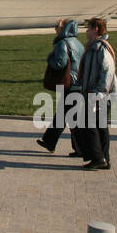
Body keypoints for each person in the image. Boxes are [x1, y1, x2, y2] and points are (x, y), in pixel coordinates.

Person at [75, 17, 117, 170]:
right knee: (100, 126)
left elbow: (108, 70)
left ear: (96, 30)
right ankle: (104, 159)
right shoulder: (93, 47)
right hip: (96, 92)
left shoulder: (101, 48)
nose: (86, 31)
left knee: (89, 123)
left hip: (99, 94)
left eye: (89, 28)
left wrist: (99, 93)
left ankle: (98, 158)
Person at [37, 18, 85, 155]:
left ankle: (79, 148)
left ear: (63, 29)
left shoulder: (62, 44)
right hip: (77, 84)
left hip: (69, 83)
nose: (55, 29)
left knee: (69, 117)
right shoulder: (78, 43)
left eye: (57, 27)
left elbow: (60, 63)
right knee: (67, 116)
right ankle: (51, 142)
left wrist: (49, 58)